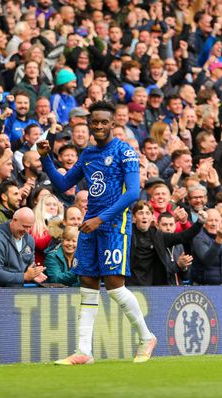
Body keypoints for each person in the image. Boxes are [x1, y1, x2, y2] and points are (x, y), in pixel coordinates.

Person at [37, 100, 157, 365]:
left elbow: (134, 193)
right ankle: (84, 352)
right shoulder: (89, 154)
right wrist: (45, 158)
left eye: (105, 121)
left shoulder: (125, 152)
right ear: (89, 124)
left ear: (113, 123)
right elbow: (64, 183)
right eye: (95, 122)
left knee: (114, 287)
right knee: (87, 286)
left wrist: (101, 219)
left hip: (114, 225)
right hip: (90, 225)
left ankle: (146, 337)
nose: (100, 126)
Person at [0, 207, 45, 287]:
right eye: (24, 226)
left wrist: (35, 273)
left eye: (30, 227)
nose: (27, 231)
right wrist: (23, 276)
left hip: (18, 293)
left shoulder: (29, 240)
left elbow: (30, 264)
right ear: (14, 220)